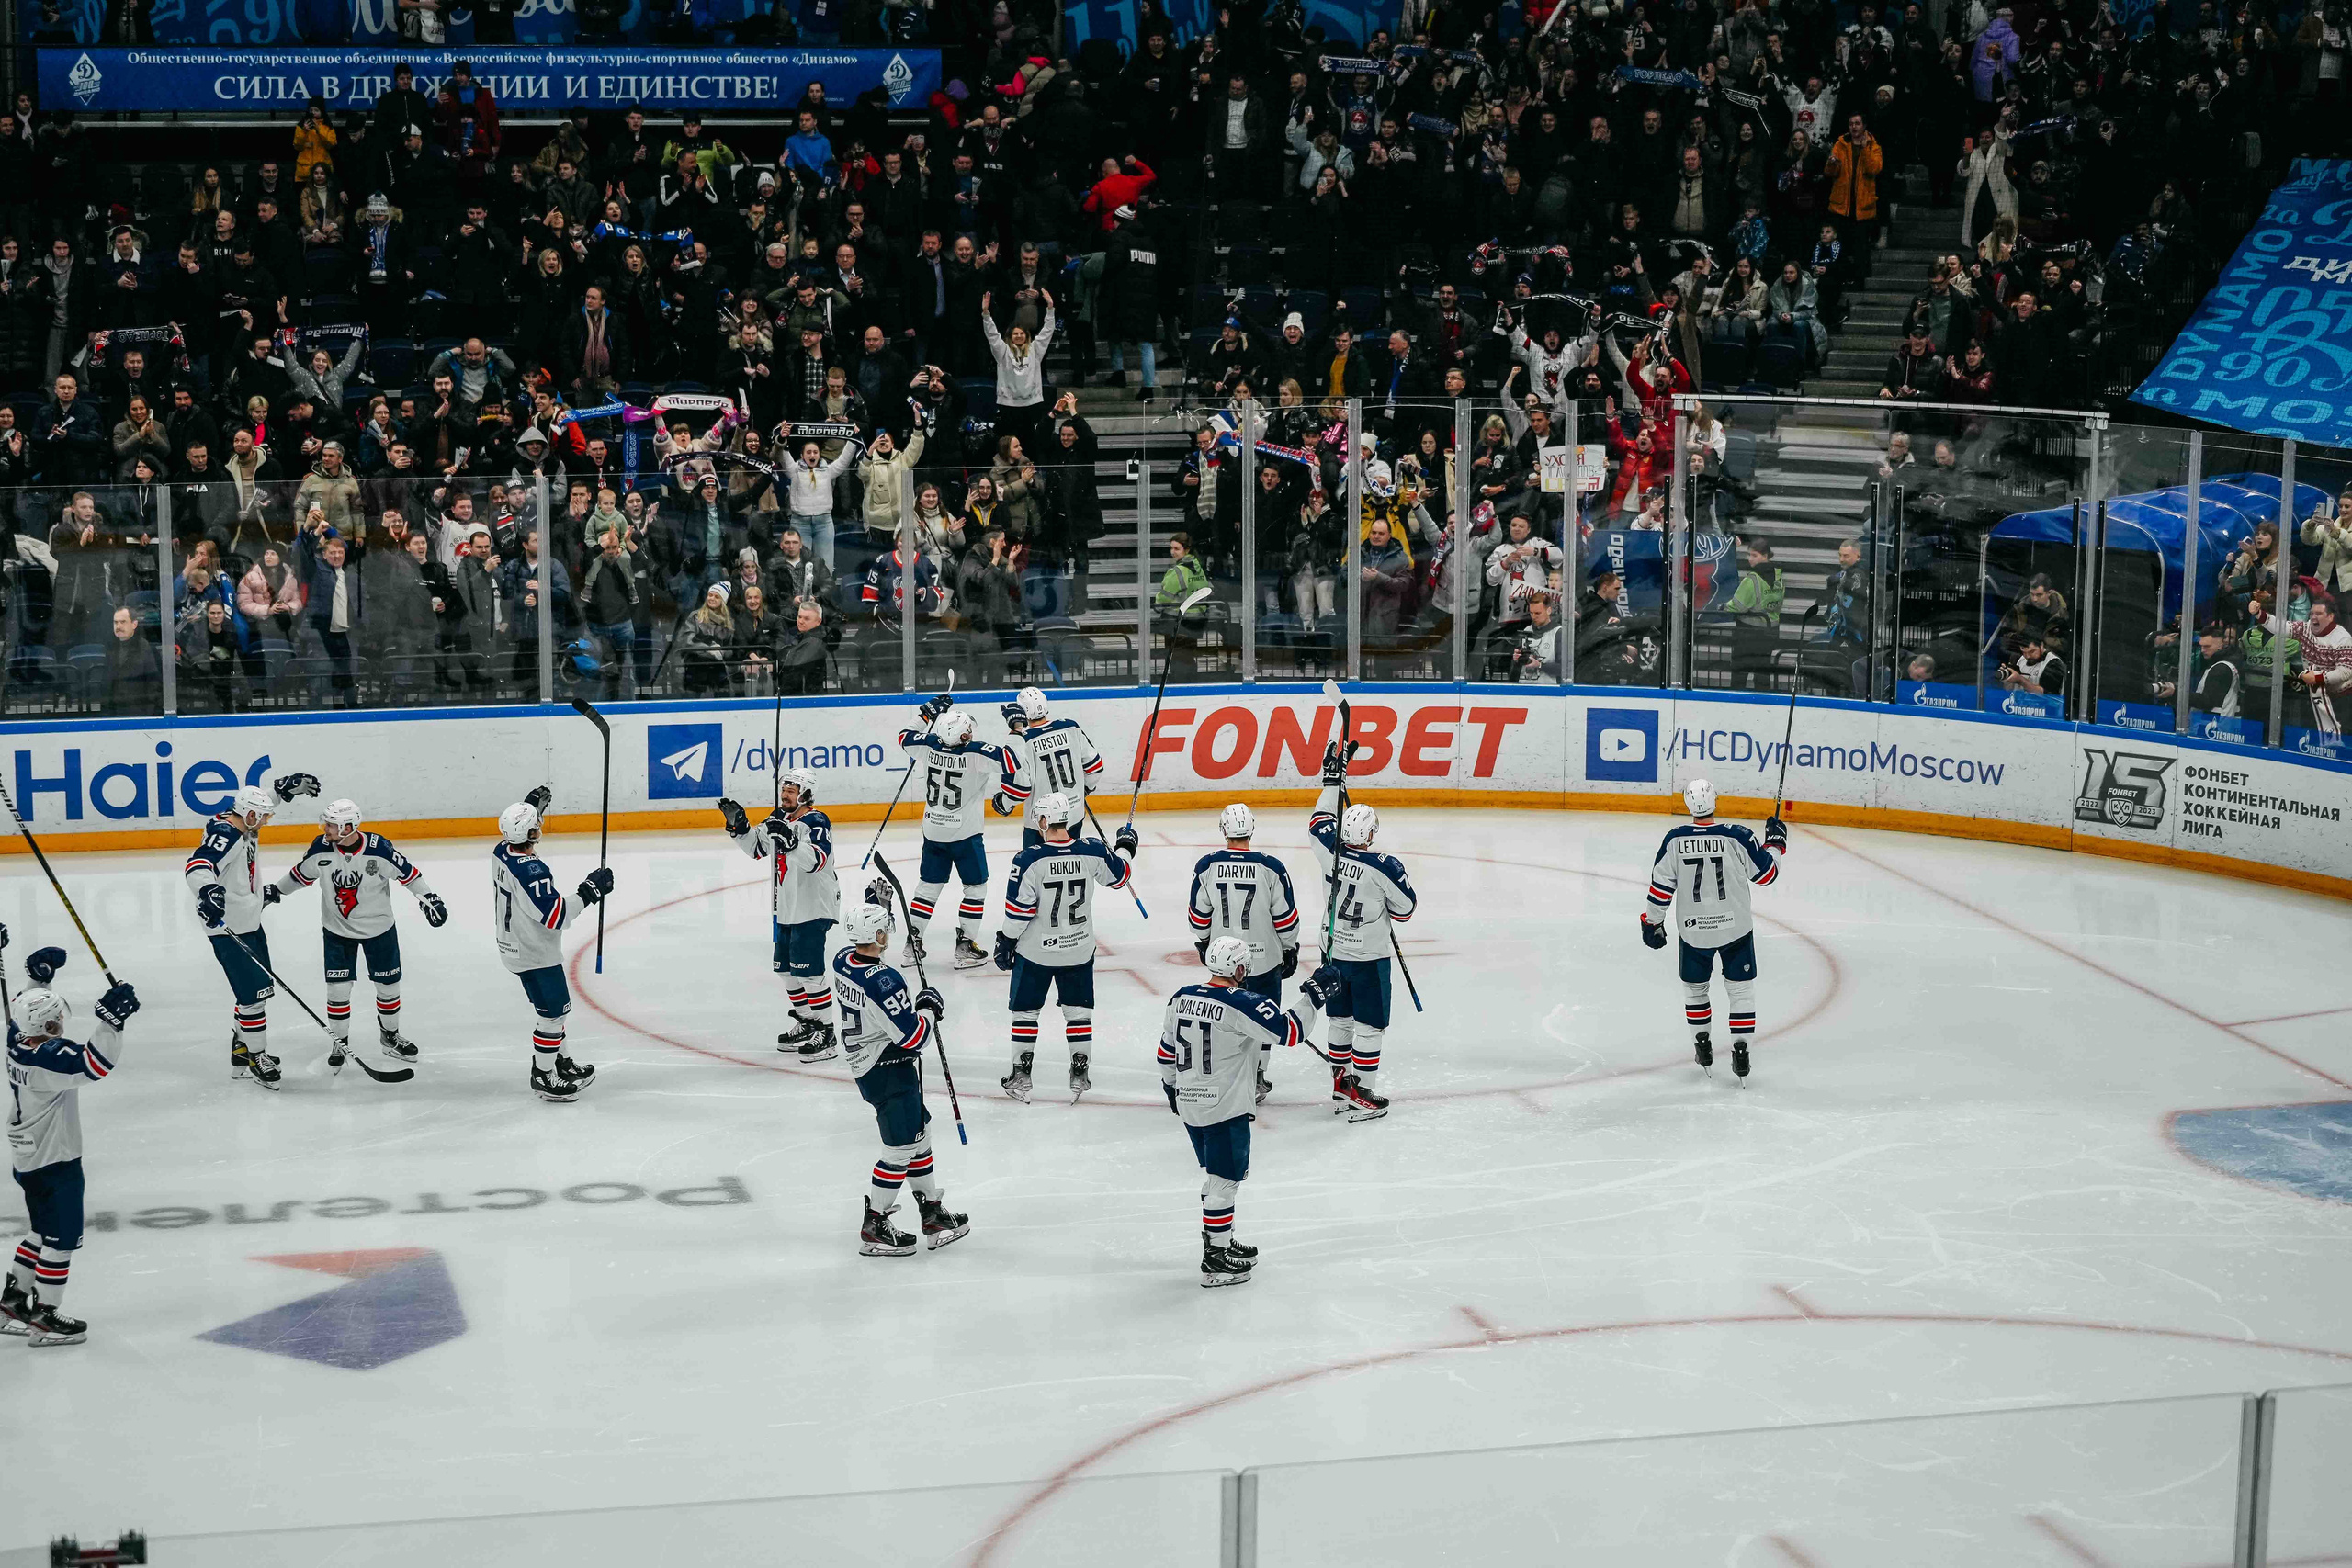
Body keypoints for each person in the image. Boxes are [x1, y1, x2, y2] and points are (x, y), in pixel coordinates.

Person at [1160, 935, 1340, 1289]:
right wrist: (1314, 995)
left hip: (1189, 1101)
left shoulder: (1181, 998)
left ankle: (1222, 1240)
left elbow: (1166, 1052)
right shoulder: (1240, 1003)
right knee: (1223, 1181)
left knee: (1217, 1177)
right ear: (1239, 969)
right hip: (1223, 1106)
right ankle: (1215, 1258)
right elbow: (1290, 1032)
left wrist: (1171, 1088)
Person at [3, 932, 138, 1347]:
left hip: (29, 1158)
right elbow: (95, 1064)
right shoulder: (48, 1061)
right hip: (55, 1161)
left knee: (40, 1230)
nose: (62, 1023)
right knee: (60, 1240)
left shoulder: (16, 1040)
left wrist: (38, 980)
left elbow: (23, 1009)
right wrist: (111, 1021)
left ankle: (13, 1301)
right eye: (57, 1019)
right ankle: (45, 1318)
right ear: (48, 1026)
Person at [830, 893, 965, 1258]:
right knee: (900, 1149)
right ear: (878, 936)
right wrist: (929, 1009)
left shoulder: (842, 959)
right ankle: (874, 1225)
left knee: (919, 1135)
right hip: (886, 1068)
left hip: (873, 1064)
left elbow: (869, 957)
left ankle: (932, 1212)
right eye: (884, 929)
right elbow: (915, 1037)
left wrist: (877, 909)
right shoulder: (884, 981)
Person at [269, 797, 447, 1071]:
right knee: (338, 990)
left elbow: (409, 875)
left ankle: (390, 1037)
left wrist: (428, 897)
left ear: (348, 827)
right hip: (337, 932)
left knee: (388, 986)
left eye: (331, 825)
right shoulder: (321, 848)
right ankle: (340, 1042)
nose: (325, 828)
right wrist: (275, 891)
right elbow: (299, 876)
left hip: (379, 930)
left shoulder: (378, 849)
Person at [993, 791, 1139, 1104]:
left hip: (1036, 952)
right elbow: (1120, 876)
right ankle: (1079, 1073)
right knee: (1078, 1013)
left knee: (1025, 1013)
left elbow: (1018, 913)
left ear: (1044, 821)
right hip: (1078, 948)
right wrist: (1125, 847)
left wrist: (1006, 940)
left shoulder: (1028, 859)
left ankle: (1021, 1074)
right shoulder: (1092, 850)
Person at [1639, 778, 1785, 1082]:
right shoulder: (1738, 836)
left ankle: (1702, 1046)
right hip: (1735, 929)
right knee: (1740, 991)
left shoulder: (1675, 840)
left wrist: (1653, 922)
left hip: (1694, 932)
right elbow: (1767, 874)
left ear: (1687, 804)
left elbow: (1660, 888)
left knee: (1696, 990)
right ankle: (1741, 1051)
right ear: (1715, 800)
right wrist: (1775, 843)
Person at [185, 773, 320, 1091]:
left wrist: (280, 791)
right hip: (229, 928)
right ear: (248, 815)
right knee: (253, 998)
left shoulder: (242, 821)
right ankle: (257, 1058)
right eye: (262, 817)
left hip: (249, 921)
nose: (265, 822)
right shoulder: (227, 834)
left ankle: (241, 1052)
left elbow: (258, 805)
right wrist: (207, 891)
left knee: (254, 993)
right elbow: (199, 863)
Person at [1307, 742, 1417, 1121]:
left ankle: (1341, 1088)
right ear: (1370, 835)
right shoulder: (1386, 868)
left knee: (1339, 1020)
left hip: (1333, 953)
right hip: (1369, 959)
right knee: (1369, 1026)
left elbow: (1319, 819)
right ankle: (1363, 1092)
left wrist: (1332, 779)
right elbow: (1406, 910)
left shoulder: (1329, 850)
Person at [491, 793, 613, 1103]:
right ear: (532, 833)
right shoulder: (532, 871)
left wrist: (529, 808)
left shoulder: (501, 851)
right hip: (534, 954)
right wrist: (590, 891)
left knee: (551, 1013)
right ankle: (544, 1075)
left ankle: (561, 1062)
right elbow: (556, 915)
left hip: (513, 945)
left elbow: (518, 832)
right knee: (554, 1015)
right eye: (536, 825)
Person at [717, 766, 840, 1063]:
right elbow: (757, 848)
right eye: (783, 789)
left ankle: (827, 1031)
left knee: (809, 973)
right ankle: (807, 1021)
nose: (784, 794)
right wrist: (740, 827)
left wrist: (792, 843)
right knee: (785, 970)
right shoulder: (778, 817)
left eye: (791, 791)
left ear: (806, 795)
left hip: (813, 906)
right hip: (787, 907)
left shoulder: (816, 821)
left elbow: (817, 860)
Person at [1185, 802, 1303, 1106]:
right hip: (1263, 960)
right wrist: (1289, 947)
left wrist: (1204, 942)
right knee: (1264, 1017)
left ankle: (1228, 1072)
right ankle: (1258, 1074)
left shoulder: (1207, 866)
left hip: (1223, 960)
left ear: (1223, 830)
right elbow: (1286, 919)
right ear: (1252, 829)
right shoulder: (1271, 867)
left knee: (1226, 1014)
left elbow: (1198, 917)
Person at [899, 696, 1026, 970]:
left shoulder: (929, 745)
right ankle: (966, 946)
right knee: (975, 888)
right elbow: (1012, 762)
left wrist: (926, 714)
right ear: (964, 735)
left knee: (928, 887)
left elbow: (904, 736)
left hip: (933, 831)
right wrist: (1016, 729)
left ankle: (912, 944)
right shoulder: (976, 754)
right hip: (965, 835)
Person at [1001, 685, 1104, 850]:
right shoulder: (1071, 727)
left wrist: (1004, 804)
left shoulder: (1023, 741)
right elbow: (1095, 768)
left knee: (1036, 863)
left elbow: (1018, 788)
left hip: (1041, 822)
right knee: (1071, 860)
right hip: (1074, 814)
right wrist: (1086, 788)